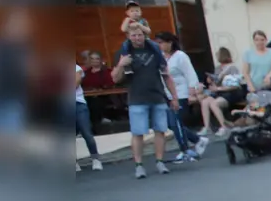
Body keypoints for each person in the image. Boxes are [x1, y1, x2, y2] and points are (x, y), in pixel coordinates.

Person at [112, 24, 180, 179]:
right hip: (137, 99)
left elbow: (166, 75)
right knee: (138, 133)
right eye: (134, 35)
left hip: (157, 96)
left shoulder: (155, 51)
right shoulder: (124, 53)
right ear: (128, 36)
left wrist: (174, 97)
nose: (137, 38)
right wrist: (121, 65)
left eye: (140, 35)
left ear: (145, 35)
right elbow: (115, 78)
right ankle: (139, 165)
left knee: (160, 131)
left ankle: (160, 161)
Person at [155, 32, 205, 161]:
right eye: (158, 43)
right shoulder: (161, 57)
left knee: (175, 121)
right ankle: (197, 139)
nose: (159, 45)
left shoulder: (180, 56)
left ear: (170, 43)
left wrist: (192, 92)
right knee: (171, 123)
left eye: (161, 43)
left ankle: (185, 149)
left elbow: (190, 73)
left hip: (181, 93)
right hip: (167, 94)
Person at [197, 47, 245, 135]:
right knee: (204, 102)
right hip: (220, 92)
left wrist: (218, 88)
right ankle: (207, 127)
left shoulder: (232, 68)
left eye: (218, 54)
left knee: (214, 103)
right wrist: (211, 81)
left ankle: (224, 127)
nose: (216, 56)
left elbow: (235, 85)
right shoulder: (218, 68)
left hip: (231, 92)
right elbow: (217, 83)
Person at [74, 61, 101, 171]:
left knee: (86, 133)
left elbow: (76, 83)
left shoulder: (75, 67)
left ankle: (95, 159)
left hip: (78, 104)